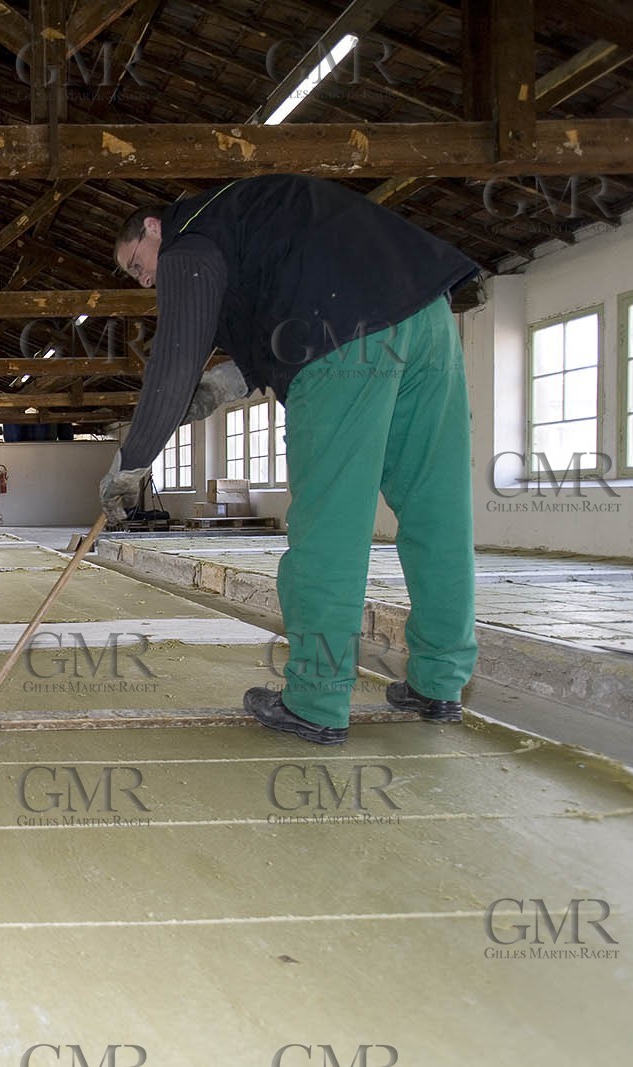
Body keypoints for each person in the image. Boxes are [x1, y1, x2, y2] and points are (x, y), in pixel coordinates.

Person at [103, 174, 481, 744]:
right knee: (438, 511)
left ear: (155, 228)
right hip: (426, 319)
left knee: (332, 524)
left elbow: (172, 363)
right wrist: (217, 390)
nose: (147, 278)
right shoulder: (247, 222)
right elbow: (269, 335)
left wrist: (131, 461)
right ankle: (440, 681)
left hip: (341, 339)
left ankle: (317, 699)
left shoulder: (188, 241)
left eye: (138, 265)